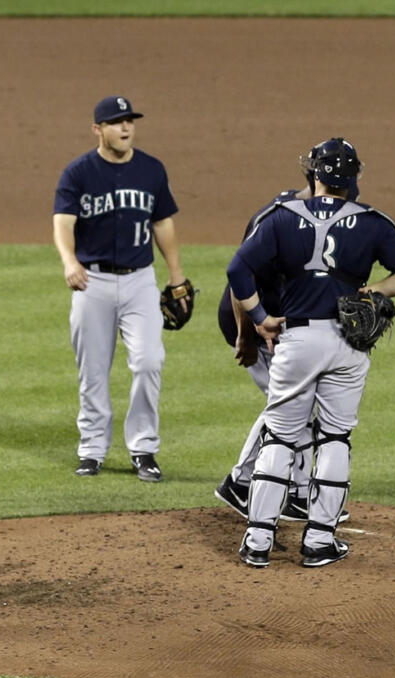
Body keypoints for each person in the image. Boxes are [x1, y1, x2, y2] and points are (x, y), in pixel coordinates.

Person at [226, 139, 395, 568]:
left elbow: (237, 269)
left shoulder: (281, 218)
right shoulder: (372, 222)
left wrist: (260, 317)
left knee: (280, 435)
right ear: (353, 178)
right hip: (347, 344)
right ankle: (319, 541)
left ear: (313, 174)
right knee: (335, 437)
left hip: (295, 341)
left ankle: (258, 541)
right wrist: (374, 289)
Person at [214, 167, 360, 524]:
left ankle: (295, 494)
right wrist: (245, 334)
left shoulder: (332, 217)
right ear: (315, 184)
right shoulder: (277, 218)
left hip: (287, 323)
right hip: (254, 319)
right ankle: (242, 483)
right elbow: (241, 276)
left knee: (302, 406)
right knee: (289, 404)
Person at [53, 95, 186, 482]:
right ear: (98, 129)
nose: (125, 128)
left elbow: (162, 223)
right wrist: (70, 262)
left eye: (129, 121)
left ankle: (143, 448)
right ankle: (92, 450)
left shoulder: (151, 170)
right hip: (91, 281)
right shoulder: (77, 172)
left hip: (139, 281)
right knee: (92, 371)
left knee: (149, 362)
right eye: (116, 122)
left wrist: (176, 275)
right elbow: (63, 222)